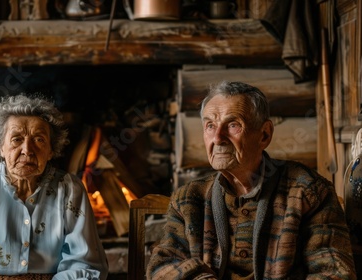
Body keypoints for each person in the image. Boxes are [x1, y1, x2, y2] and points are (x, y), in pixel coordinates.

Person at [147, 81, 357, 279]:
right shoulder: (188, 198)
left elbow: (334, 271)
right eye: (210, 125)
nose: (218, 138)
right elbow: (162, 266)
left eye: (233, 125)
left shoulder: (308, 191)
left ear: (264, 135)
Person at [0, 94, 109, 280]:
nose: (27, 150)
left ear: (51, 151)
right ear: (1, 147)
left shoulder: (69, 190)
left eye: (39, 140)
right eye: (16, 139)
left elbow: (84, 263)